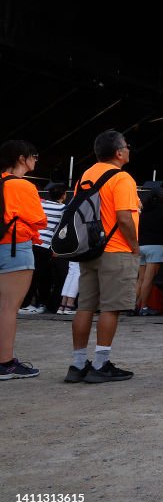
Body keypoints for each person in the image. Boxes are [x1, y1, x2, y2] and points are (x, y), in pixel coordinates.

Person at [65, 130, 140, 384]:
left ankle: (77, 364)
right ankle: (100, 363)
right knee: (111, 307)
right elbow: (124, 216)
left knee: (85, 306)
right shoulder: (122, 178)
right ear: (119, 153)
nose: (129, 150)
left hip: (89, 249)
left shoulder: (86, 176)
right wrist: (134, 245)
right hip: (116, 249)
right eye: (127, 147)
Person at [0, 140, 47, 379]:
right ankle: (5, 362)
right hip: (15, 247)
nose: (35, 159)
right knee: (8, 308)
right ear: (21, 158)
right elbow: (39, 220)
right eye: (34, 155)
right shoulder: (23, 186)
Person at [21, 181, 68, 314]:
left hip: (32, 242)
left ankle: (27, 302)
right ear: (64, 195)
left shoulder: (40, 204)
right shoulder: (63, 209)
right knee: (42, 276)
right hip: (46, 246)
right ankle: (34, 304)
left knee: (32, 274)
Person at [133, 183, 163, 316]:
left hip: (141, 245)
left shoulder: (144, 210)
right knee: (149, 280)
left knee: (140, 279)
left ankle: (133, 306)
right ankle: (143, 307)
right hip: (156, 246)